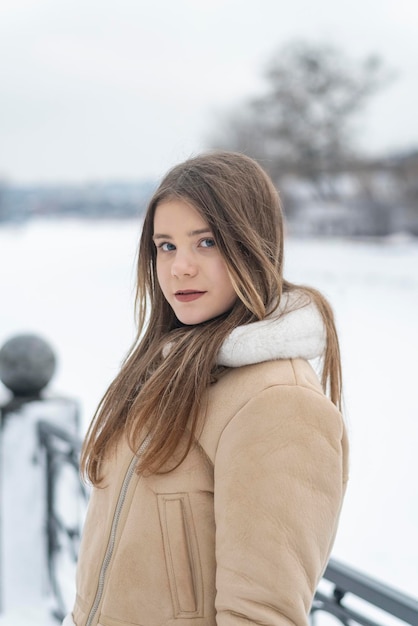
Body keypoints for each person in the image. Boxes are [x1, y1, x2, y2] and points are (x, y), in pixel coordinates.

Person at [63, 151, 349, 626]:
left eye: (207, 242)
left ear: (255, 245)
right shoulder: (170, 370)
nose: (180, 267)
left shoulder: (278, 403)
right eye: (166, 245)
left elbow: (261, 616)